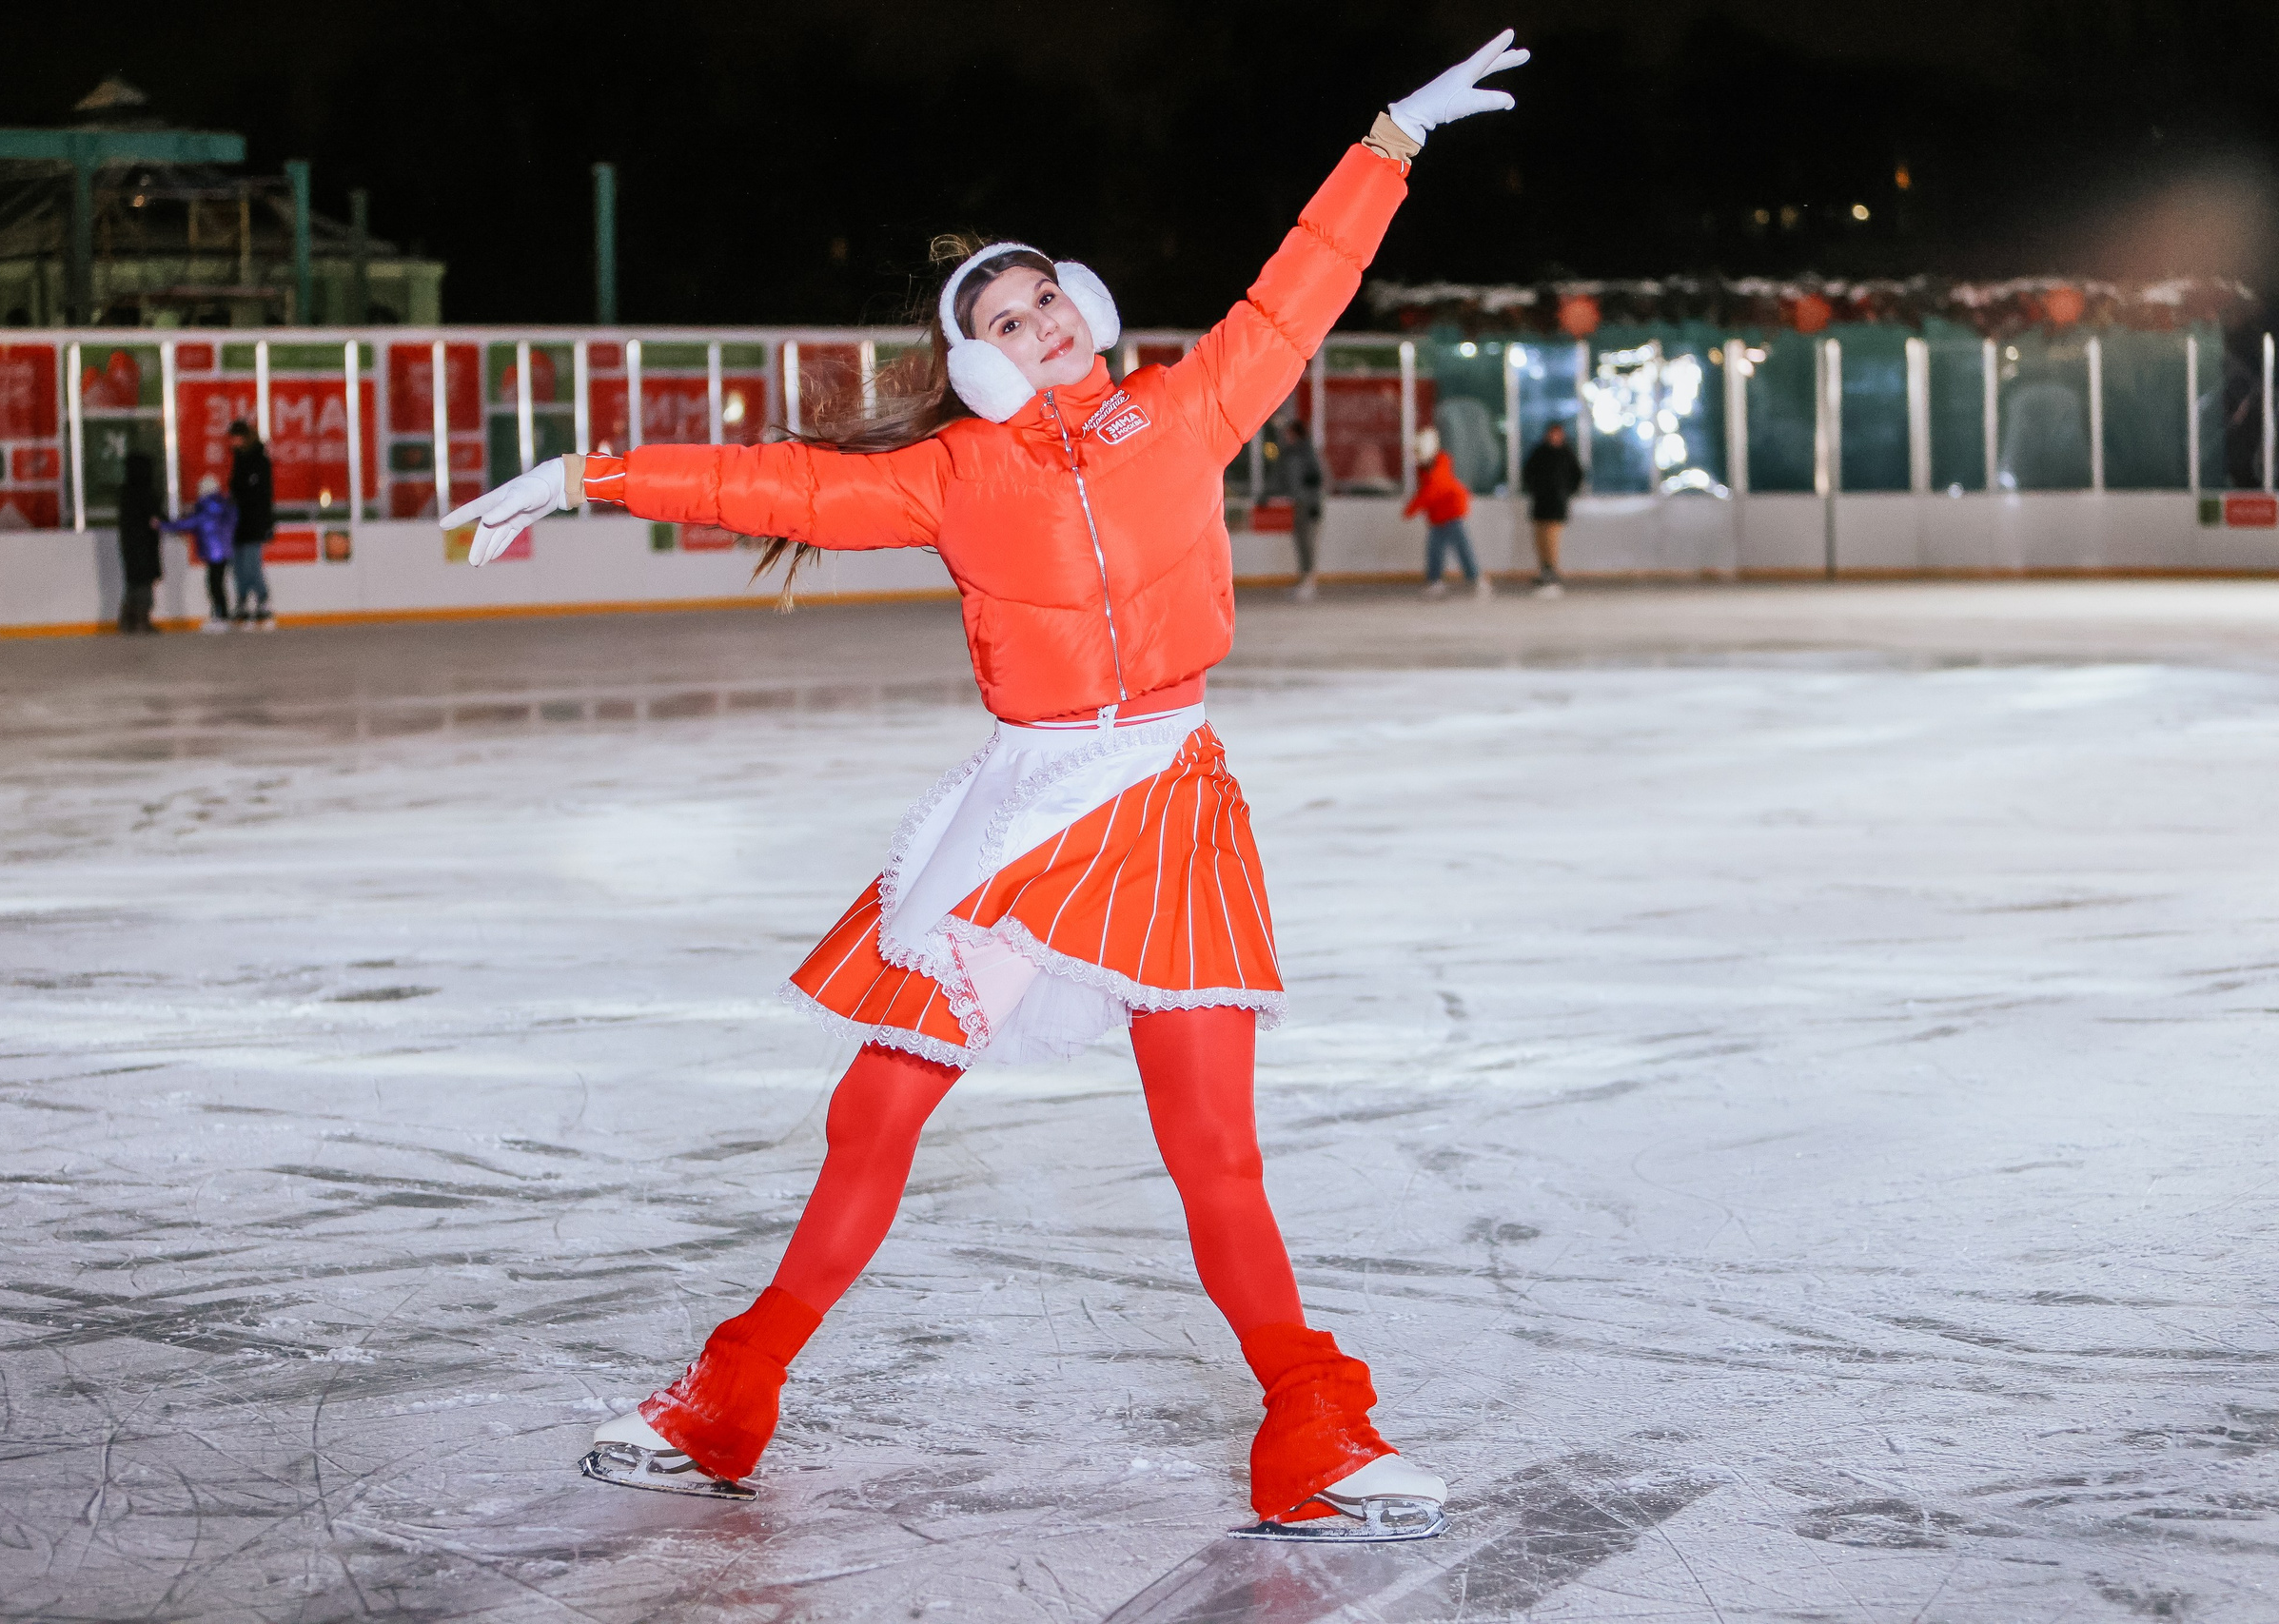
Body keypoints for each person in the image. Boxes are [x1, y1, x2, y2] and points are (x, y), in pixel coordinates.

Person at [445, 30, 1529, 1542]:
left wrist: (1390, 140)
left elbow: (1300, 289)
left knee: (1215, 1143)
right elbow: (780, 485)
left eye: (1048, 302)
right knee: (875, 1108)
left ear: (1085, 305)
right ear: (976, 360)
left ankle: (1314, 1426)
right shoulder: (952, 477)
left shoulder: (1188, 406)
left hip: (1169, 799)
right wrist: (584, 477)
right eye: (1005, 323)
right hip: (1026, 815)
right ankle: (726, 1394)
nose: (1041, 329)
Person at [1404, 425, 1483, 599]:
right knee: (1434, 549)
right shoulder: (1424, 469)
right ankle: (1435, 581)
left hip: (1453, 513)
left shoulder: (1441, 464)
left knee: (1463, 547)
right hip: (1438, 516)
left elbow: (1431, 491)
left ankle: (1475, 579)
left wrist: (1411, 509)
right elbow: (1428, 492)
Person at [160, 473, 237, 631]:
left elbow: (190, 523)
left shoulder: (208, 507)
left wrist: (164, 526)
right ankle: (221, 615)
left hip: (215, 552)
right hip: (223, 551)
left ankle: (221, 616)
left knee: (214, 584)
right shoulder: (224, 504)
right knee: (217, 583)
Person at [1267, 399, 1326, 600]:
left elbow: (1318, 480)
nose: (1286, 436)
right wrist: (1267, 496)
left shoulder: (1308, 455)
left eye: (1289, 433)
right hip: (1296, 504)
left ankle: (1310, 580)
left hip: (1309, 505)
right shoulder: (1287, 455)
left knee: (1308, 542)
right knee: (1299, 542)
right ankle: (1303, 578)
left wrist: (1315, 504)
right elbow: (1279, 479)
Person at [1520, 420, 1582, 597]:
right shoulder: (1540, 452)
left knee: (1552, 538)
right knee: (1540, 538)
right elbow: (1528, 472)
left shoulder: (1566, 454)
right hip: (1541, 502)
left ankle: (1551, 571)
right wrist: (1534, 488)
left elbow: (1577, 475)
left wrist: (1567, 491)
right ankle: (1544, 570)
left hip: (1557, 503)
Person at [226, 421, 275, 629]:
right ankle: (242, 601)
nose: (232, 441)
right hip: (238, 522)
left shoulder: (259, 460)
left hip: (254, 521)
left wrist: (265, 522)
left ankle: (262, 600)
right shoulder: (238, 459)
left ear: (243, 437)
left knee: (252, 564)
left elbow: (261, 494)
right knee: (238, 566)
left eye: (235, 437)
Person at [115, 452, 162, 634]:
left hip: (130, 545)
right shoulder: (145, 491)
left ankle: (128, 622)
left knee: (133, 582)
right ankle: (141, 621)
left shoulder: (126, 492)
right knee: (143, 583)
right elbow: (154, 518)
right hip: (144, 546)